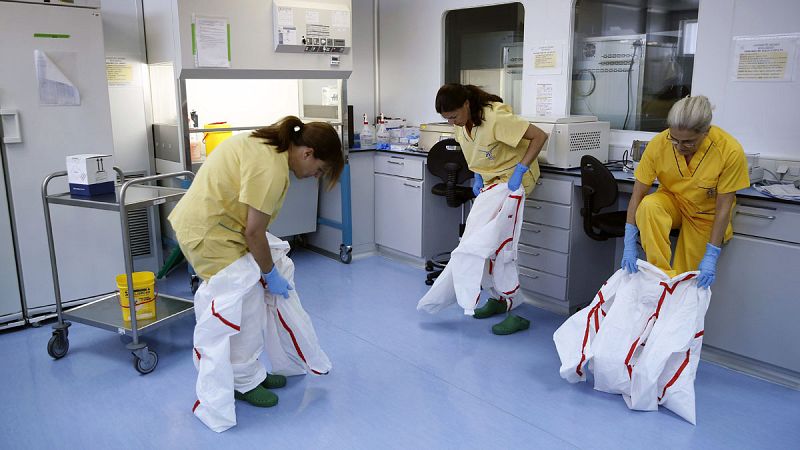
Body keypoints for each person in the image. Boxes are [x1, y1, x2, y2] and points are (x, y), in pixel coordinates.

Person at [169, 116, 344, 411]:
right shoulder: (271, 168)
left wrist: (269, 270)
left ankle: (251, 372)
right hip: (209, 234)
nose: (315, 176)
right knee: (245, 305)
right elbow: (253, 231)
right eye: (319, 170)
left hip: (220, 227)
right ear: (307, 153)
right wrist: (269, 273)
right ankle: (242, 382)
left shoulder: (268, 146)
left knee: (251, 298)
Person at [435, 83, 548, 335]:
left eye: (453, 116)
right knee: (481, 245)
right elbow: (476, 153)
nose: (452, 122)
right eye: (446, 119)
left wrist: (521, 169)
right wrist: (477, 175)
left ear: (466, 104)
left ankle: (512, 308)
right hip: (490, 184)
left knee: (501, 246)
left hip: (512, 182)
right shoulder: (463, 124)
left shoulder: (495, 117)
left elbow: (539, 136)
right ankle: (499, 300)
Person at [622, 95, 749, 287]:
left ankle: (678, 303)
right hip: (672, 202)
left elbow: (724, 209)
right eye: (675, 140)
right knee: (649, 206)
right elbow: (638, 195)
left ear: (706, 132)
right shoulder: (659, 144)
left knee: (687, 281)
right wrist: (629, 242)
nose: (680, 147)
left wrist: (711, 255)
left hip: (705, 215)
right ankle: (659, 278)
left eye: (689, 142)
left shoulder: (729, 151)